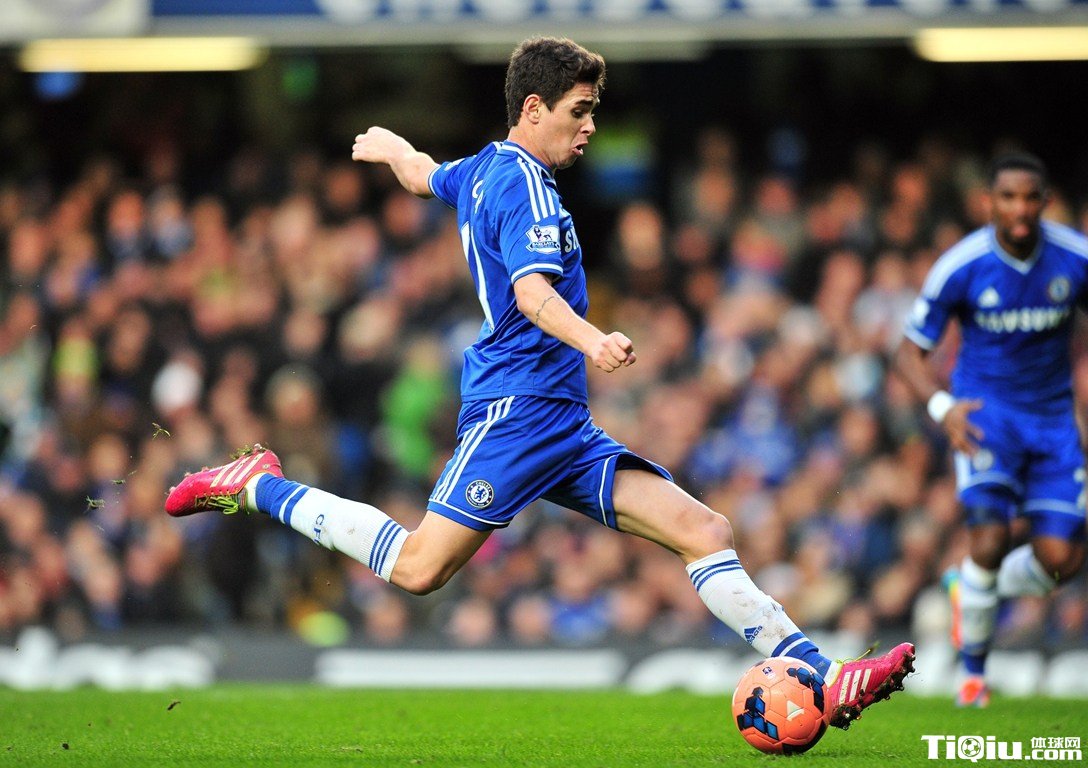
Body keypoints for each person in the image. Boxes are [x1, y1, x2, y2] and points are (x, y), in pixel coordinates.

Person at [167, 36, 913, 727]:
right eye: (579, 111)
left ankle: (824, 677)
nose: (590, 128)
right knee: (420, 568)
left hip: (562, 422)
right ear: (534, 108)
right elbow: (531, 294)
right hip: (518, 411)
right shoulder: (526, 187)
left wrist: (397, 150)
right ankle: (257, 485)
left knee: (704, 531)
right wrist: (595, 339)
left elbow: (427, 177)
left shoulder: (483, 169)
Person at [895, 152, 1087, 707]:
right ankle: (973, 680)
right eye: (1008, 197)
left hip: (1053, 421)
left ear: (1045, 202)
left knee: (1062, 561)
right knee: (989, 537)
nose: (1020, 208)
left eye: (1030, 197)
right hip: (986, 417)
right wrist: (942, 408)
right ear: (989, 203)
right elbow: (908, 352)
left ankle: (973, 586)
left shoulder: (1074, 259)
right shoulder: (962, 265)